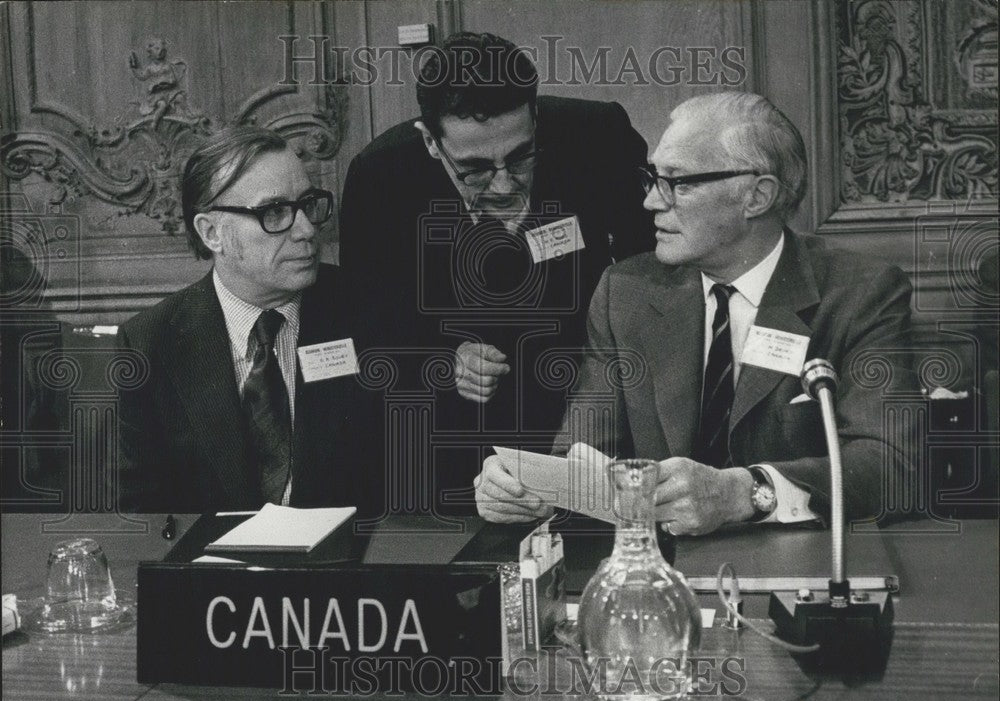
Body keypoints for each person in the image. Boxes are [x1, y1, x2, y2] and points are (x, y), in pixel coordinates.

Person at [475, 92, 918, 535]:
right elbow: (585, 445)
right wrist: (530, 489)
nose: (651, 201)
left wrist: (746, 492)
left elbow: (893, 464)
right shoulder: (625, 292)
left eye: (679, 183)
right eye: (652, 177)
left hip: (802, 569)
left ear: (756, 196)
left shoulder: (861, 294)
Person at [339, 32, 654, 516]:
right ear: (430, 141)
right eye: (475, 169)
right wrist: (446, 358)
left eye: (521, 156)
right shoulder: (380, 176)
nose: (505, 184)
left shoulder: (598, 135)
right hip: (459, 432)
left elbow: (652, 266)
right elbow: (369, 317)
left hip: (587, 406)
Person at [116, 126, 380, 513]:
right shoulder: (149, 343)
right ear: (211, 233)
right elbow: (139, 511)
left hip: (342, 564)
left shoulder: (368, 312)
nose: (306, 230)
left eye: (308, 204)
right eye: (274, 212)